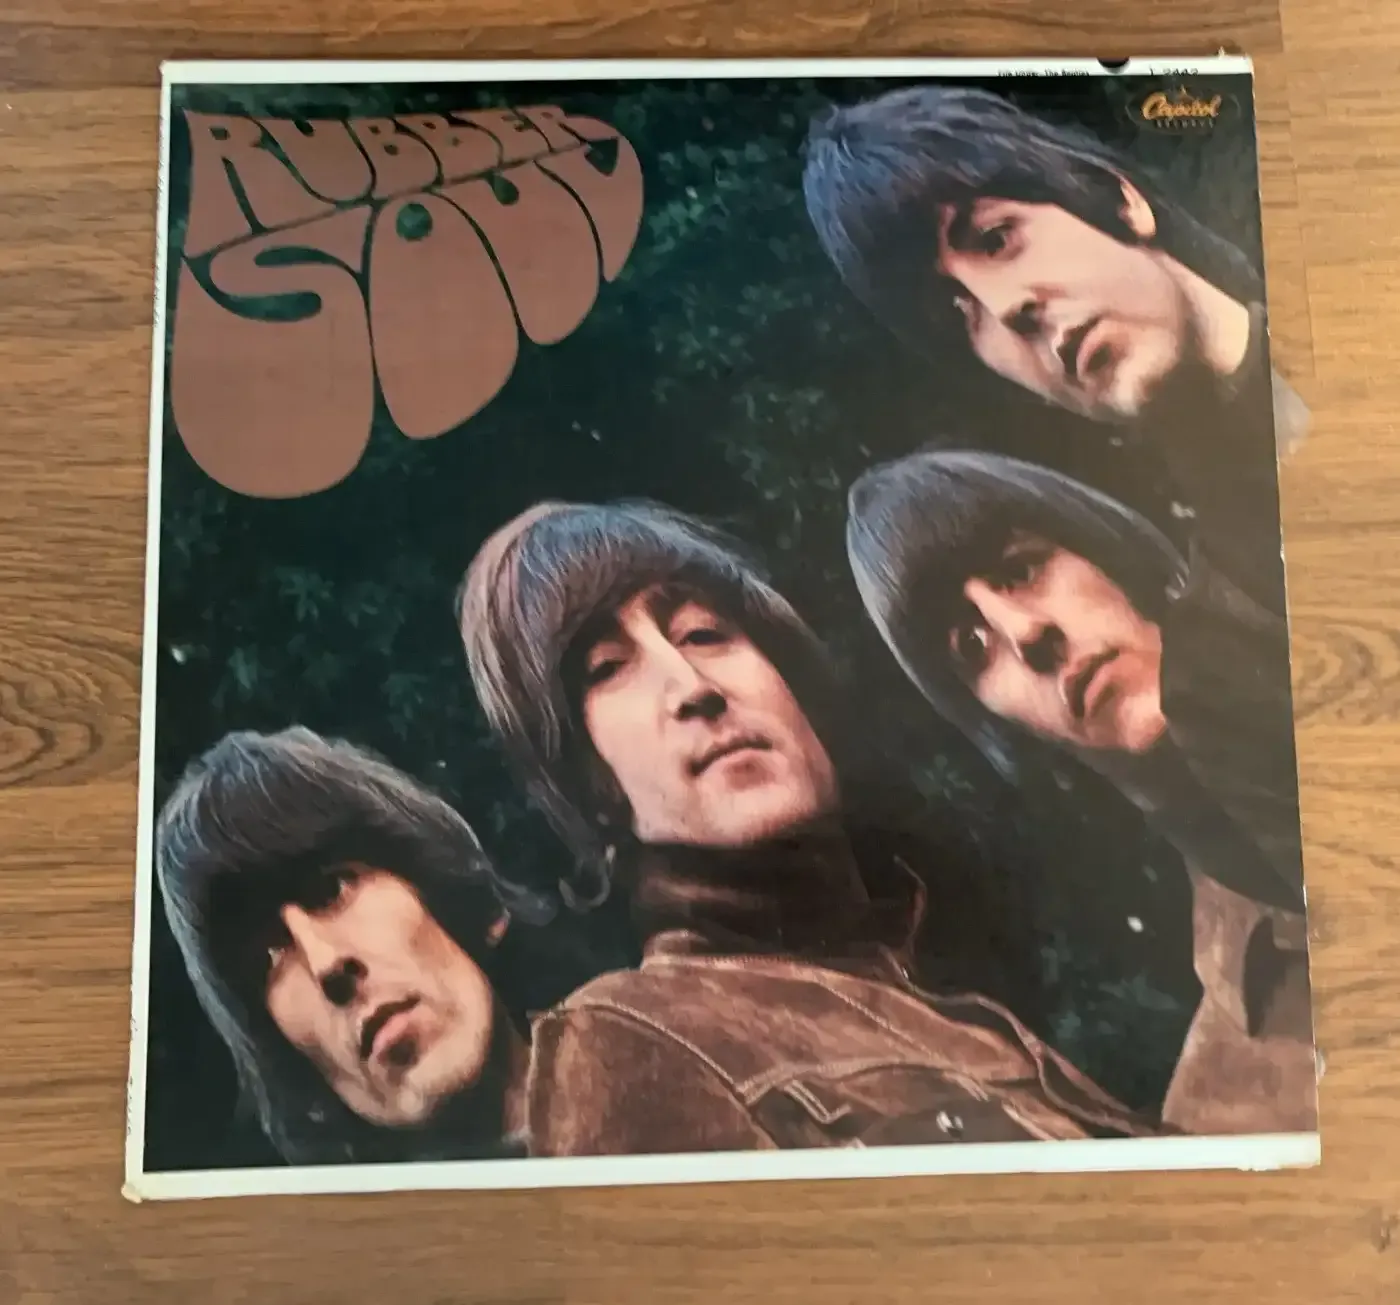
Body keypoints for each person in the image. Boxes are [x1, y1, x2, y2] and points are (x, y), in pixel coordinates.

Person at [458, 499, 1155, 1156]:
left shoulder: (959, 1010)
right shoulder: (632, 1037)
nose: (693, 685)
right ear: (594, 788)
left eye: (705, 633)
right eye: (609, 669)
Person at [845, 448, 1317, 1134]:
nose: (1026, 633)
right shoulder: (1225, 1103)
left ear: (1105, 548)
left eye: (1021, 569)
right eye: (971, 646)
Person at [803, 84, 1301, 614]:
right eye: (955, 311)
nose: (1004, 308)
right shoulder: (1224, 614)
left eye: (995, 238)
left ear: (1120, 201)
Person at [156, 726, 555, 1165]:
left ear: (439, 887)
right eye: (266, 961)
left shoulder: (617, 1032)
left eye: (332, 889)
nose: (326, 963)